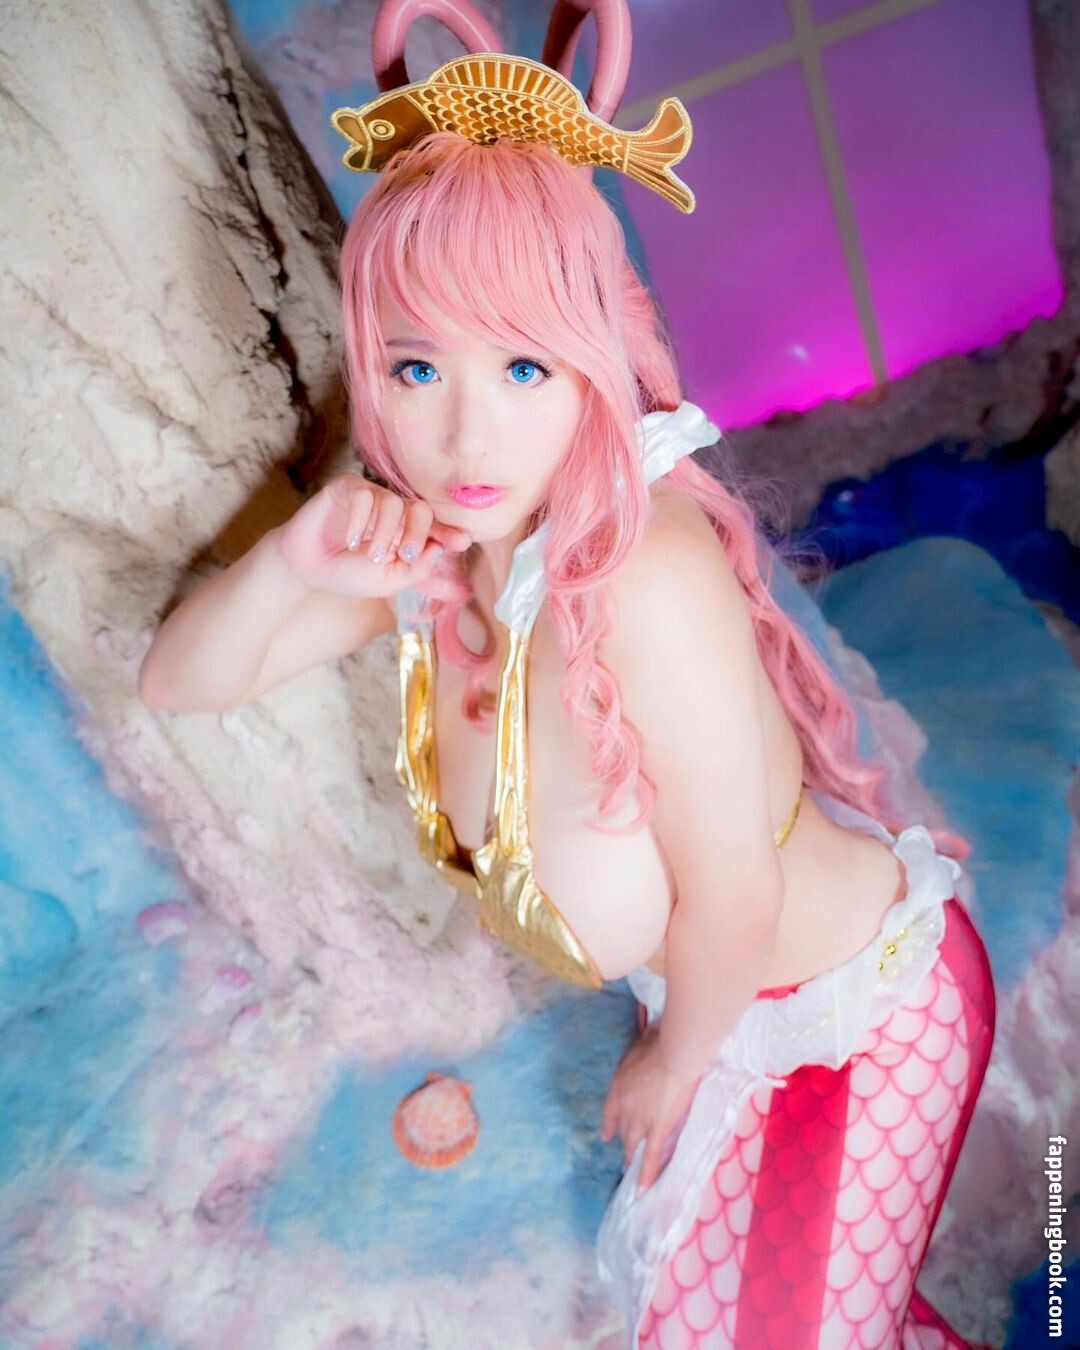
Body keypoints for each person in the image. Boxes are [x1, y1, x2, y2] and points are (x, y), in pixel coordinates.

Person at [137, 1, 997, 1345]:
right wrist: (293, 554)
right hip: (718, 1014)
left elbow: (737, 890)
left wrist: (673, 1061)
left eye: (524, 365)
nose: (466, 435)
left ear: (589, 364)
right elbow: (178, 684)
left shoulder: (642, 574)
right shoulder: (429, 553)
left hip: (853, 1019)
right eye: (418, 366)